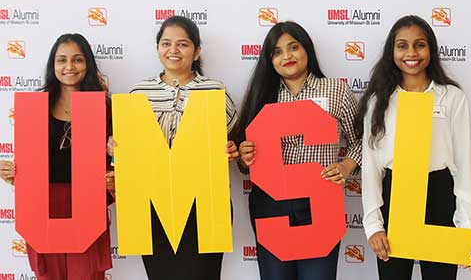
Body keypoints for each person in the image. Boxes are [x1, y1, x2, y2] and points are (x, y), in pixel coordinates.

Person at [107, 15, 238, 280]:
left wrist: (229, 149)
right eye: (166, 43)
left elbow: (227, 140)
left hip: (204, 204)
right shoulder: (138, 93)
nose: (173, 50)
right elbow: (131, 152)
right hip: (152, 206)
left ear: (197, 50)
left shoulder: (215, 91)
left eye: (183, 44)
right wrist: (115, 150)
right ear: (158, 49)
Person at [230, 21, 361, 280]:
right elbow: (245, 163)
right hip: (270, 206)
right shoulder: (262, 94)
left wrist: (346, 166)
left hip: (321, 204)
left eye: (293, 47)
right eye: (277, 52)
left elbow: (362, 141)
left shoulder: (337, 90)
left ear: (307, 50)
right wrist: (245, 157)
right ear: (270, 60)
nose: (286, 56)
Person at [355, 15, 471, 280]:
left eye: (419, 45)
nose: (411, 53)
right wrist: (374, 225)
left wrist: (468, 225)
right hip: (396, 197)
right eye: (402, 45)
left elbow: (463, 166)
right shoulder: (379, 101)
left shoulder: (452, 97)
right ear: (392, 52)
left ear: (431, 50)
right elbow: (371, 167)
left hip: (439, 195)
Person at [0, 33, 114, 280]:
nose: (69, 67)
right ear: (53, 66)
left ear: (88, 64)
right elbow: (29, 164)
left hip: (88, 204)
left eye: (77, 60)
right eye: (61, 60)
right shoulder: (35, 107)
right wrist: (13, 175)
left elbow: (119, 161)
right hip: (43, 204)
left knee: (87, 275)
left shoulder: (106, 109)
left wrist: (118, 158)